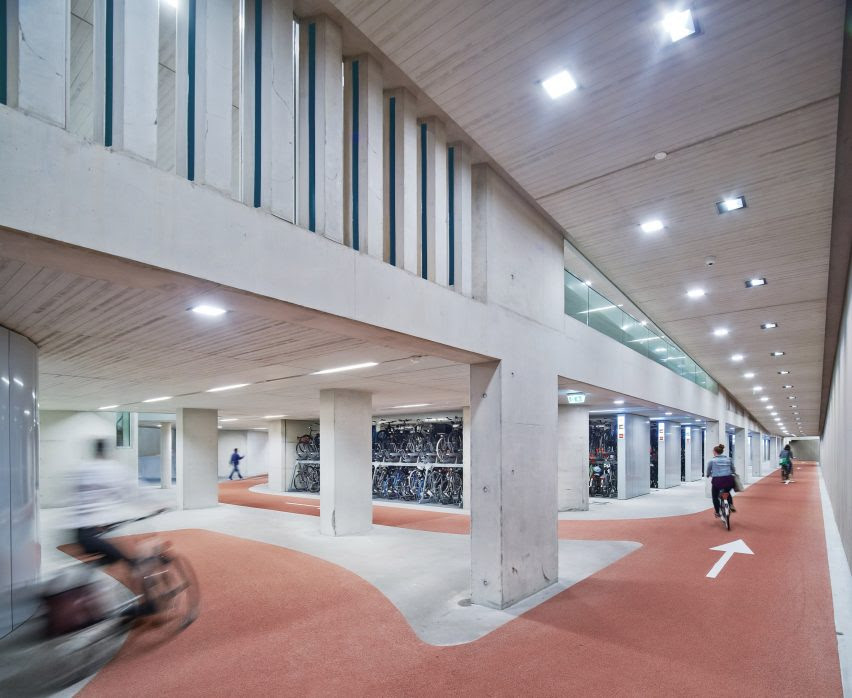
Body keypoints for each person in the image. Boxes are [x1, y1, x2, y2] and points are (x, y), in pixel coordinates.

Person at [706, 443, 737, 518]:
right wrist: (732, 472)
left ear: (715, 452)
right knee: (727, 492)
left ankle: (717, 512)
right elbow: (733, 469)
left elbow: (708, 470)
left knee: (715, 496)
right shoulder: (729, 459)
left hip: (717, 481)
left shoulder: (712, 461)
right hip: (729, 480)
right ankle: (731, 504)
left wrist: (708, 475)